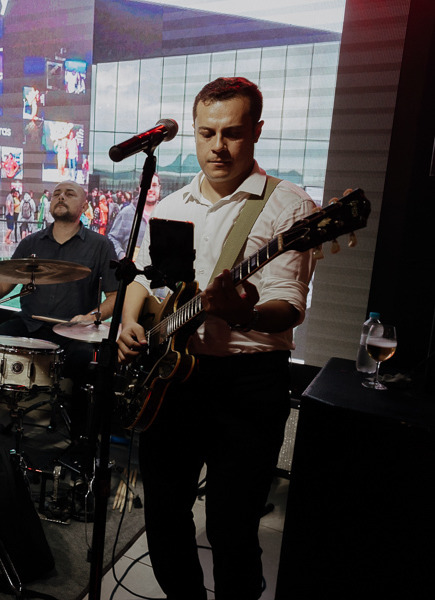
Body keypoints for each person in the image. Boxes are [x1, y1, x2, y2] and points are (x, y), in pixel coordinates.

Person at [117, 77, 317, 599]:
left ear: (257, 131)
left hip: (247, 385)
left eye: (232, 133)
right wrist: (130, 321)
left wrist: (243, 313)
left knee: (232, 528)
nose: (218, 147)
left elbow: (289, 307)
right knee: (164, 515)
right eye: (207, 133)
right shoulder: (173, 203)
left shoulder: (289, 206)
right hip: (172, 380)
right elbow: (142, 279)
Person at [0, 180, 117, 441]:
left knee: (88, 367)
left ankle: (80, 448)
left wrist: (91, 317)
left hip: (73, 333)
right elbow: (2, 285)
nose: (61, 197)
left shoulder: (100, 245)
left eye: (69, 194)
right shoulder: (31, 243)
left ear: (84, 205)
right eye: (57, 194)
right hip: (28, 325)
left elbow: (115, 296)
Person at [107, 174, 161, 259]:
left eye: (154, 185)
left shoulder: (166, 215)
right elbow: (112, 238)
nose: (150, 189)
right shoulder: (125, 213)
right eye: (147, 185)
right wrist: (121, 255)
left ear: (159, 188)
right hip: (132, 266)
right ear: (140, 188)